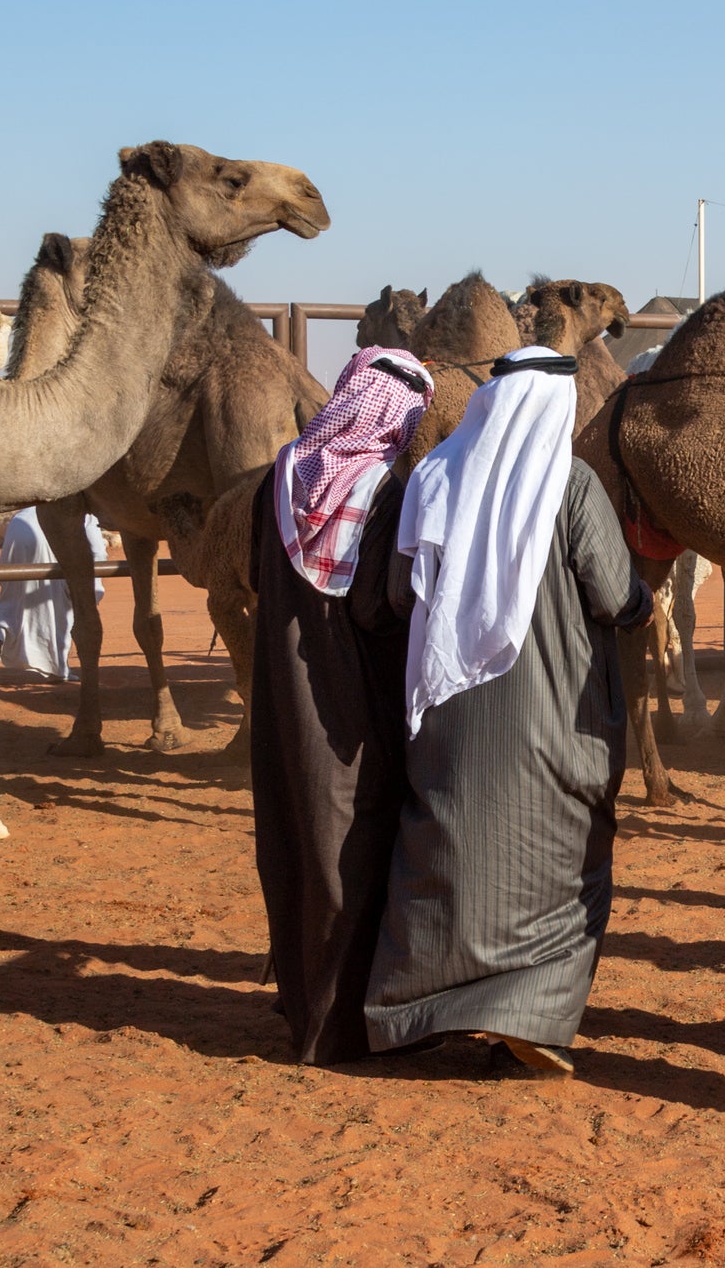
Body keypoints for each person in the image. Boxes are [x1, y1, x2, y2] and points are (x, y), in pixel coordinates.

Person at [364, 346, 653, 1077]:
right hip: (553, 712)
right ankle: (528, 1016)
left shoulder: (433, 476)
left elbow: (400, 596)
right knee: (559, 861)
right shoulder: (572, 484)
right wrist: (648, 598)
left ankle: (419, 1010)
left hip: (448, 708)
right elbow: (614, 597)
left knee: (444, 847)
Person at [249, 346, 433, 1065]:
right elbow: (377, 607)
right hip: (347, 705)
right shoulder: (380, 493)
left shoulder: (282, 476)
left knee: (292, 840)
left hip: (278, 696)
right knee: (347, 848)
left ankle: (299, 1003)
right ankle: (337, 1029)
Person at [0, 508, 105, 680]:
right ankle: (58, 669)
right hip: (47, 530)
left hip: (19, 524)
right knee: (57, 602)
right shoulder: (87, 513)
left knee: (12, 597)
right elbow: (98, 554)